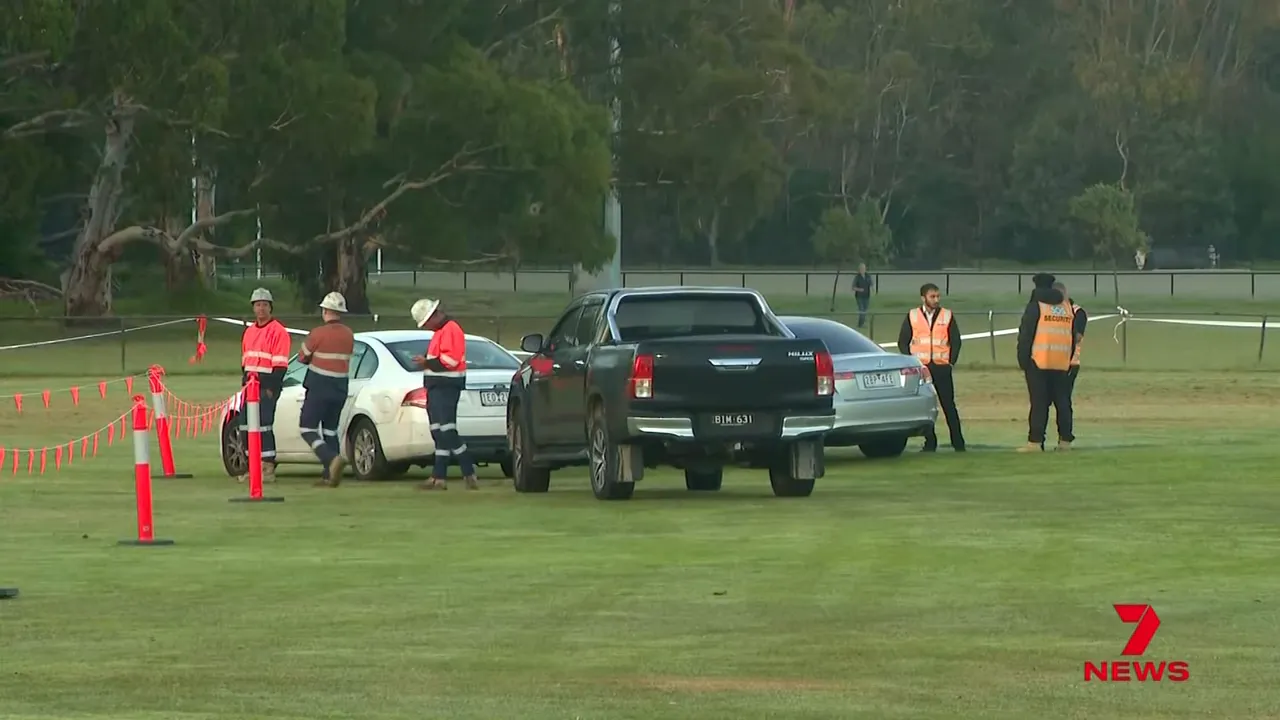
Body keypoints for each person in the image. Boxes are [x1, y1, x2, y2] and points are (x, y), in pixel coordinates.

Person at [409, 298, 479, 490]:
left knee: (447, 430)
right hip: (436, 386)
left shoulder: (450, 329)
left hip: (446, 385)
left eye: (426, 323)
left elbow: (450, 361)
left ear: (433, 316)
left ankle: (468, 470)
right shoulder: (442, 331)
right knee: (438, 431)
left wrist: (426, 363)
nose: (426, 328)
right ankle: (438, 477)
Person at [897, 283, 966, 452]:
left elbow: (956, 340)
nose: (936, 300)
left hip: (942, 368)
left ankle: (958, 443)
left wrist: (951, 362)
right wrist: (911, 362)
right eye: (932, 296)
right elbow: (902, 341)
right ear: (923, 298)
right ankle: (930, 442)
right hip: (921, 369)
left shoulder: (947, 315)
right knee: (925, 406)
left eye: (937, 296)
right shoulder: (912, 316)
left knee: (948, 405)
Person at [1016, 274, 1077, 452]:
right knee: (1063, 403)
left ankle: (1035, 442)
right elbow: (1072, 338)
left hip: (1039, 361)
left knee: (1039, 403)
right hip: (1062, 362)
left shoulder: (1036, 307)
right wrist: (1067, 357)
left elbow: (1026, 334)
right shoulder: (1067, 307)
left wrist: (1024, 360)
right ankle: (1065, 441)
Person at [300, 292, 355, 488]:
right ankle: (329, 476)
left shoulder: (317, 333)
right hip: (340, 388)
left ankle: (330, 458)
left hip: (319, 386)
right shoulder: (349, 334)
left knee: (307, 428)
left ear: (325, 311)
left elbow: (302, 356)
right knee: (331, 429)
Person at [240, 288, 291, 482]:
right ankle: (251, 466)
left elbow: (280, 365)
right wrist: (244, 384)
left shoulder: (278, 332)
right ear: (253, 308)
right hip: (249, 386)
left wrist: (270, 388)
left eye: (264, 305)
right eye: (258, 305)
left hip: (266, 386)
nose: (261, 309)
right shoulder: (249, 332)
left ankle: (268, 465)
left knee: (263, 425)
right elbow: (245, 361)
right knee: (245, 425)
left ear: (270, 307)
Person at [1052, 281, 1087, 400]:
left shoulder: (1077, 312)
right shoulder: (1049, 310)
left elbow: (1077, 337)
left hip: (1070, 363)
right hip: (1049, 362)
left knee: (1063, 400)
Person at [852, 263, 872, 328]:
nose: (862, 270)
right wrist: (859, 289)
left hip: (866, 296)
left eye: (863, 268)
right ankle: (860, 324)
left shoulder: (868, 276)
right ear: (859, 270)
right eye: (861, 269)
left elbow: (871, 284)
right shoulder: (857, 277)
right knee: (861, 310)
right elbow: (853, 287)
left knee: (865, 310)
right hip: (859, 296)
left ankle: (862, 323)